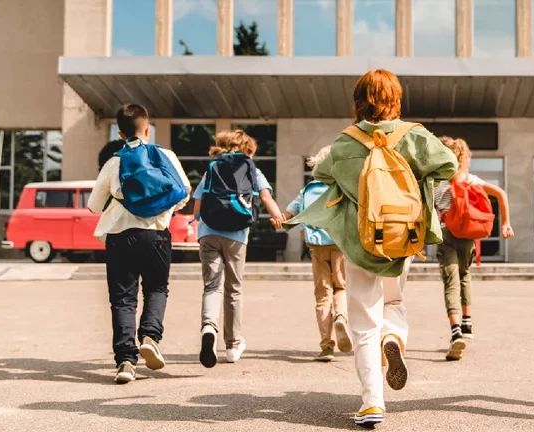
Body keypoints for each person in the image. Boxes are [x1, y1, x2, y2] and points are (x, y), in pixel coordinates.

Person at [283, 69, 457, 428]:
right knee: (393, 301)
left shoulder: (345, 143)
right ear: (396, 99)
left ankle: (372, 402)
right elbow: (449, 165)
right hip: (403, 237)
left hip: (361, 240)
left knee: (363, 321)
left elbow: (322, 176)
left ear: (359, 100)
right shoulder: (415, 136)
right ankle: (393, 337)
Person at [88, 104, 191, 384]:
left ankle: (125, 362)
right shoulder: (165, 155)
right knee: (157, 288)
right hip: (157, 235)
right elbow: (183, 192)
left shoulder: (114, 161)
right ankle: (150, 337)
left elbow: (93, 206)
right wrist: (161, 210)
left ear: (120, 132)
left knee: (123, 299)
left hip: (120, 236)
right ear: (148, 128)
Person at [194, 130, 285, 368]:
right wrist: (278, 218)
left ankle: (208, 327)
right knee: (233, 289)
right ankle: (233, 346)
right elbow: (266, 198)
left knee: (212, 286)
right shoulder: (253, 170)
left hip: (208, 233)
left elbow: (197, 208)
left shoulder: (212, 168)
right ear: (248, 151)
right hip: (236, 236)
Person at [433, 136, 514, 361]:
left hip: (446, 234)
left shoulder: (437, 182)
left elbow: (429, 210)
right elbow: (501, 194)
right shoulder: (470, 179)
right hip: (467, 235)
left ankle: (455, 330)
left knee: (451, 281)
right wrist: (505, 223)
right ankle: (467, 324)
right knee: (465, 275)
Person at [278, 145, 352, 362]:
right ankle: (341, 316)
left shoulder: (307, 190)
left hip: (317, 247)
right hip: (340, 245)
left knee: (322, 295)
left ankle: (326, 346)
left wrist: (279, 219)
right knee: (341, 288)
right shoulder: (342, 188)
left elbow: (288, 215)